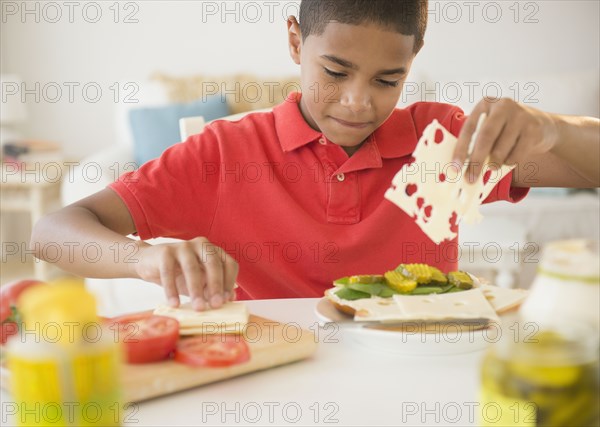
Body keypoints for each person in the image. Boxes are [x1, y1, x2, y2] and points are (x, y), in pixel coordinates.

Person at [31, 0, 599, 311]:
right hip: (275, 380)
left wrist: (551, 128)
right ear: (296, 42)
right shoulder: (227, 154)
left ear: (414, 60)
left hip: (412, 378)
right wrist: (143, 260)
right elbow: (54, 231)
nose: (358, 102)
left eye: (388, 79)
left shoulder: (439, 143)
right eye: (335, 71)